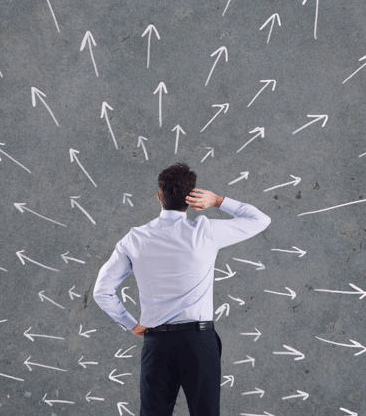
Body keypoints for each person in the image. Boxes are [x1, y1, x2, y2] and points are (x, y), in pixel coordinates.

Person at [93, 162, 271, 416]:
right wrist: (218, 200)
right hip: (199, 342)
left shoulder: (134, 239)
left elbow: (102, 291)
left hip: (157, 344)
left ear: (159, 196)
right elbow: (260, 219)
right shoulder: (206, 231)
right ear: (192, 198)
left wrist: (131, 323)